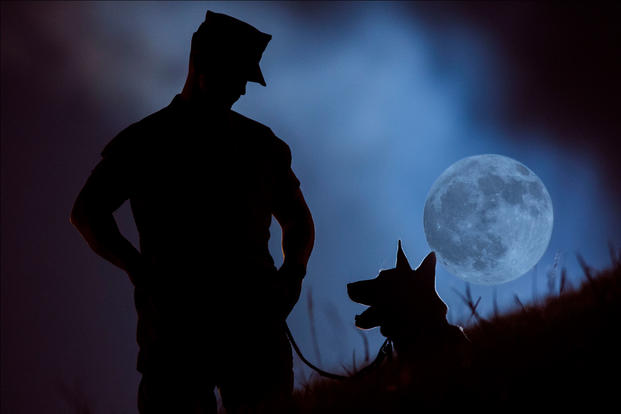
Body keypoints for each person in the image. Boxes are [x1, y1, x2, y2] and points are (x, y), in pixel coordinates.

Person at [70, 10, 314, 413]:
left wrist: (291, 276)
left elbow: (299, 222)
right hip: (178, 336)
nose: (242, 90)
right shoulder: (144, 143)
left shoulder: (261, 146)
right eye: (237, 76)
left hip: (247, 329)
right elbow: (87, 213)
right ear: (203, 66)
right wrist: (139, 269)